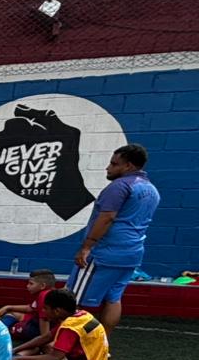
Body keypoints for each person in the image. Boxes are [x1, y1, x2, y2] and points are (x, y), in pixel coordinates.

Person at [68, 143, 159, 334]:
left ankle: (66, 344)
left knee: (73, 300)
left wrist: (87, 247)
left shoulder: (119, 186)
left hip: (105, 253)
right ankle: (103, 343)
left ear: (128, 166)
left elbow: (107, 217)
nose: (108, 168)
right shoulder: (151, 190)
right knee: (113, 299)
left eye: (114, 164)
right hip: (132, 254)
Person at [11, 288, 110, 360]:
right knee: (41, 345)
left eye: (45, 308)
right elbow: (46, 338)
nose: (43, 311)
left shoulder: (70, 327)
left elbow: (55, 358)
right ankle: (15, 357)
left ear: (57, 311)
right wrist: (15, 350)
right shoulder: (82, 315)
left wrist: (19, 359)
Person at [0, 269, 57, 344]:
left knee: (14, 329)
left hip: (36, 329)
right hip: (36, 321)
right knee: (11, 313)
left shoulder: (44, 298)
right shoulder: (49, 293)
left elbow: (44, 329)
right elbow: (30, 308)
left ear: (42, 286)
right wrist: (9, 307)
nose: (27, 286)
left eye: (31, 284)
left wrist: (45, 342)